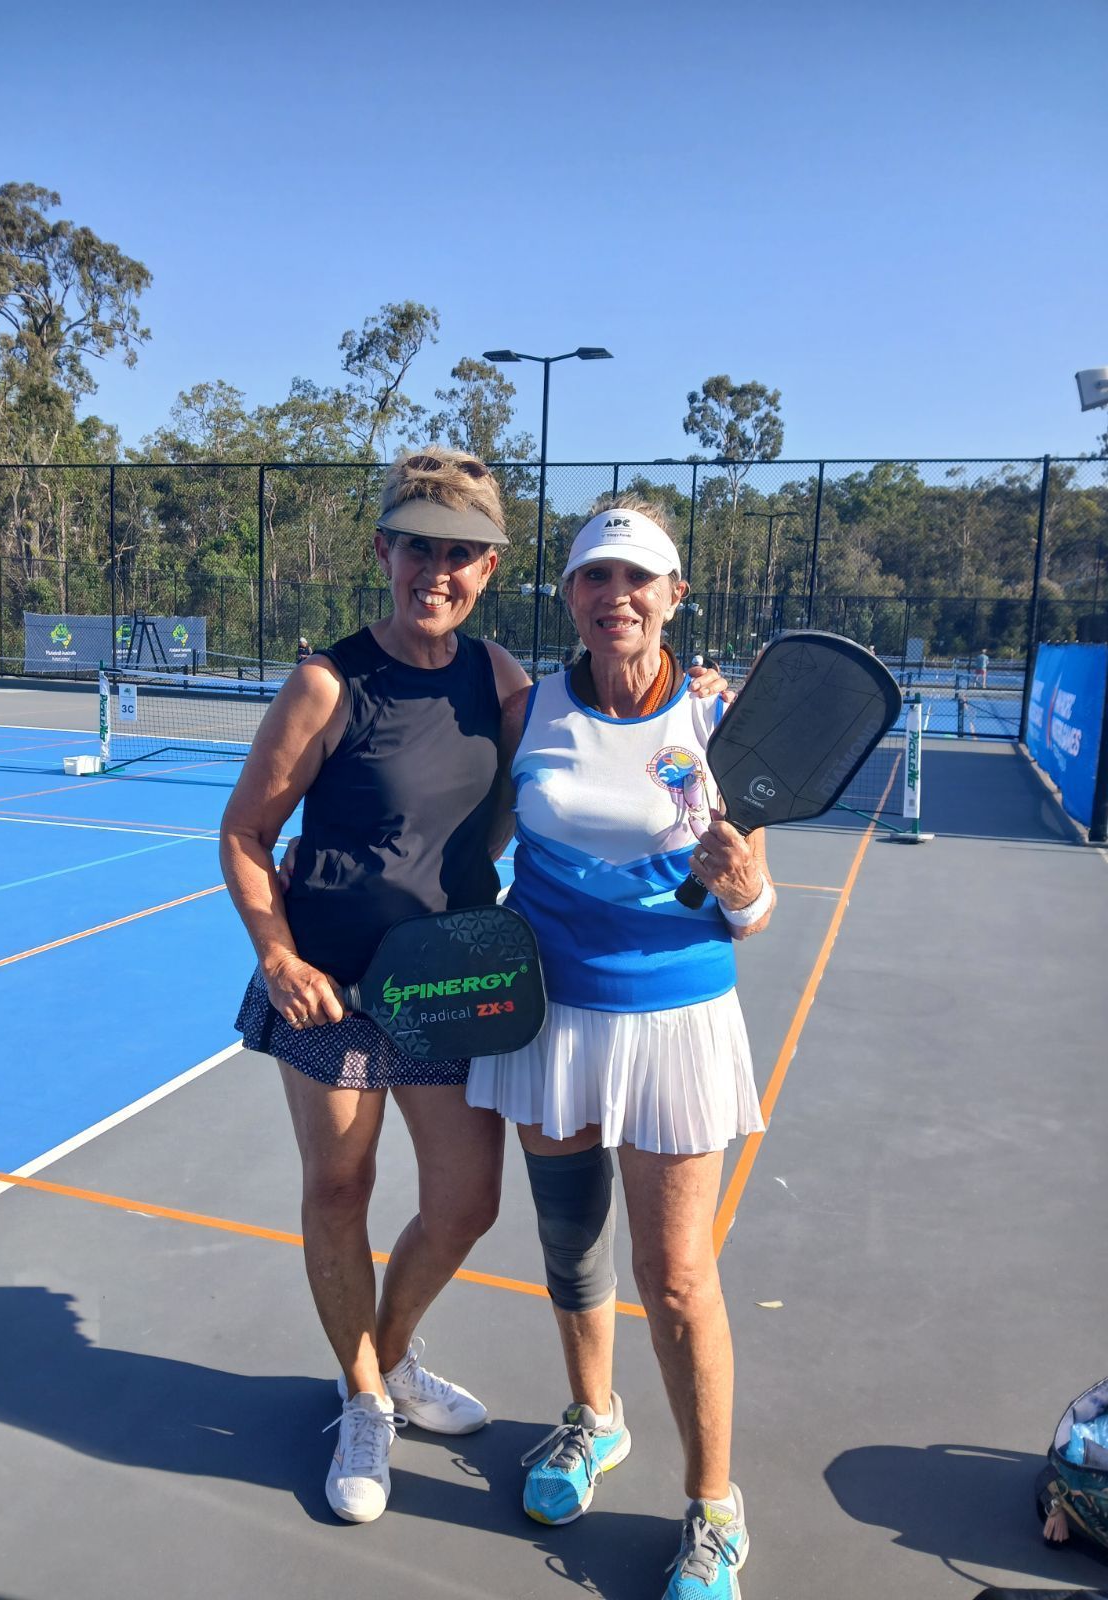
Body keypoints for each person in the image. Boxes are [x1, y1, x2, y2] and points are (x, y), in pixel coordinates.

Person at [467, 496, 774, 1600]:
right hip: (549, 1015)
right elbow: (481, 847)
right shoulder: (531, 709)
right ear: (570, 596)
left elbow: (754, 908)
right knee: (569, 1240)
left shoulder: (720, 719)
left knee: (677, 1278)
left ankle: (714, 1508)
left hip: (677, 1023)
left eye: (638, 577)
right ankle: (594, 1418)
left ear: (674, 595)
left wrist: (744, 887)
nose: (617, 596)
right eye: (595, 576)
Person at [219, 448, 530, 1524]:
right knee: (339, 1190)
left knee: (465, 1205)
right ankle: (363, 1403)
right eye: (417, 547)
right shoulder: (328, 683)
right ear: (385, 550)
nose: (436, 571)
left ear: (488, 568)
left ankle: (386, 1359)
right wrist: (280, 956)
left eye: (460, 553)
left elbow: (522, 808)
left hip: (447, 989)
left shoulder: (500, 681)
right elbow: (247, 832)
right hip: (333, 991)